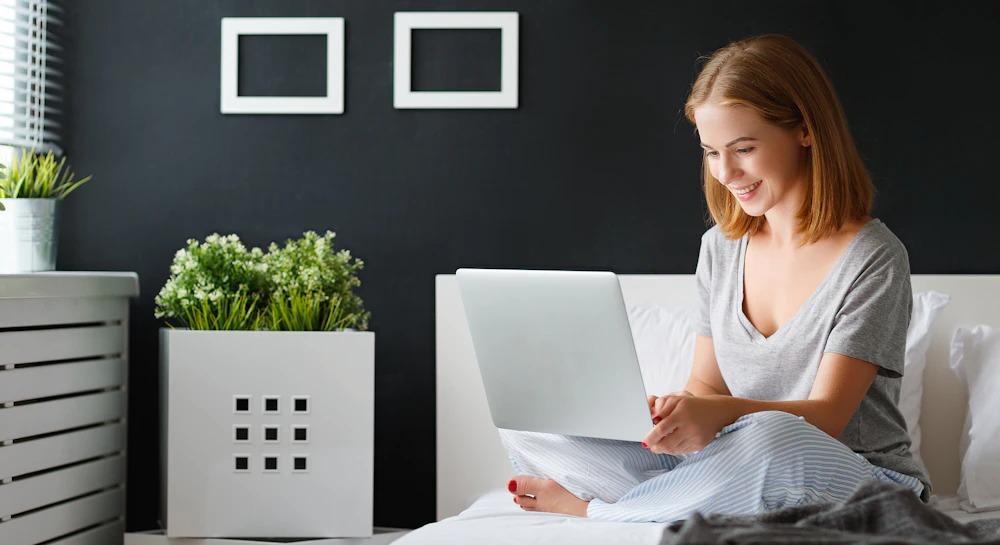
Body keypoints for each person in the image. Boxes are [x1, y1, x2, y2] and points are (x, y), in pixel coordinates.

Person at [503, 33, 930, 522]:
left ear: (805, 131)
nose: (726, 172)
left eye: (744, 148)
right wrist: (672, 413)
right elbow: (706, 385)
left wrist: (721, 415)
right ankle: (678, 500)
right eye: (711, 152)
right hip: (734, 459)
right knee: (532, 424)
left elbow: (828, 416)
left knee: (773, 437)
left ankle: (599, 512)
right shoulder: (721, 249)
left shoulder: (873, 257)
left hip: (858, 476)